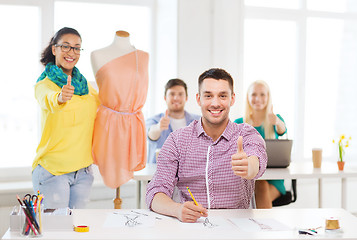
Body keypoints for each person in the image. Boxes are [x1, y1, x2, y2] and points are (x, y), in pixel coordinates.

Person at [146, 68, 267, 223]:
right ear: (198, 99)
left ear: (232, 99)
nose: (215, 103)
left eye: (222, 96)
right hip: (191, 227)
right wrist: (177, 210)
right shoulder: (177, 140)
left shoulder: (247, 134)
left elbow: (258, 159)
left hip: (236, 229)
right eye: (208, 96)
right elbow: (155, 192)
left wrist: (248, 166)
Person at [32, 27, 99, 209]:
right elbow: (49, 99)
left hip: (83, 172)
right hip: (53, 172)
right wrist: (61, 97)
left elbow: (104, 110)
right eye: (66, 47)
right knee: (56, 232)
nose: (72, 52)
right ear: (55, 49)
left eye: (77, 48)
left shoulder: (86, 87)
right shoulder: (44, 85)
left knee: (77, 231)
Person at [91, 31, 149, 189]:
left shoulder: (143, 57)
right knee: (111, 170)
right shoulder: (97, 55)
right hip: (109, 125)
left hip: (134, 125)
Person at [234, 80, 287, 209]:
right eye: (254, 95)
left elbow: (282, 130)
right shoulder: (239, 122)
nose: (258, 98)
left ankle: (262, 227)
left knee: (261, 185)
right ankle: (266, 226)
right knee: (258, 185)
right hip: (248, 178)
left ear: (268, 97)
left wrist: (277, 121)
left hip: (273, 181)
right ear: (248, 97)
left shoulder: (275, 119)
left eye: (262, 95)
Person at [146, 79, 200, 163]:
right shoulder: (154, 120)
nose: (176, 98)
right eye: (172, 94)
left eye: (180, 94)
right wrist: (158, 127)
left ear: (186, 98)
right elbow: (151, 134)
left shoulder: (199, 121)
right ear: (165, 98)